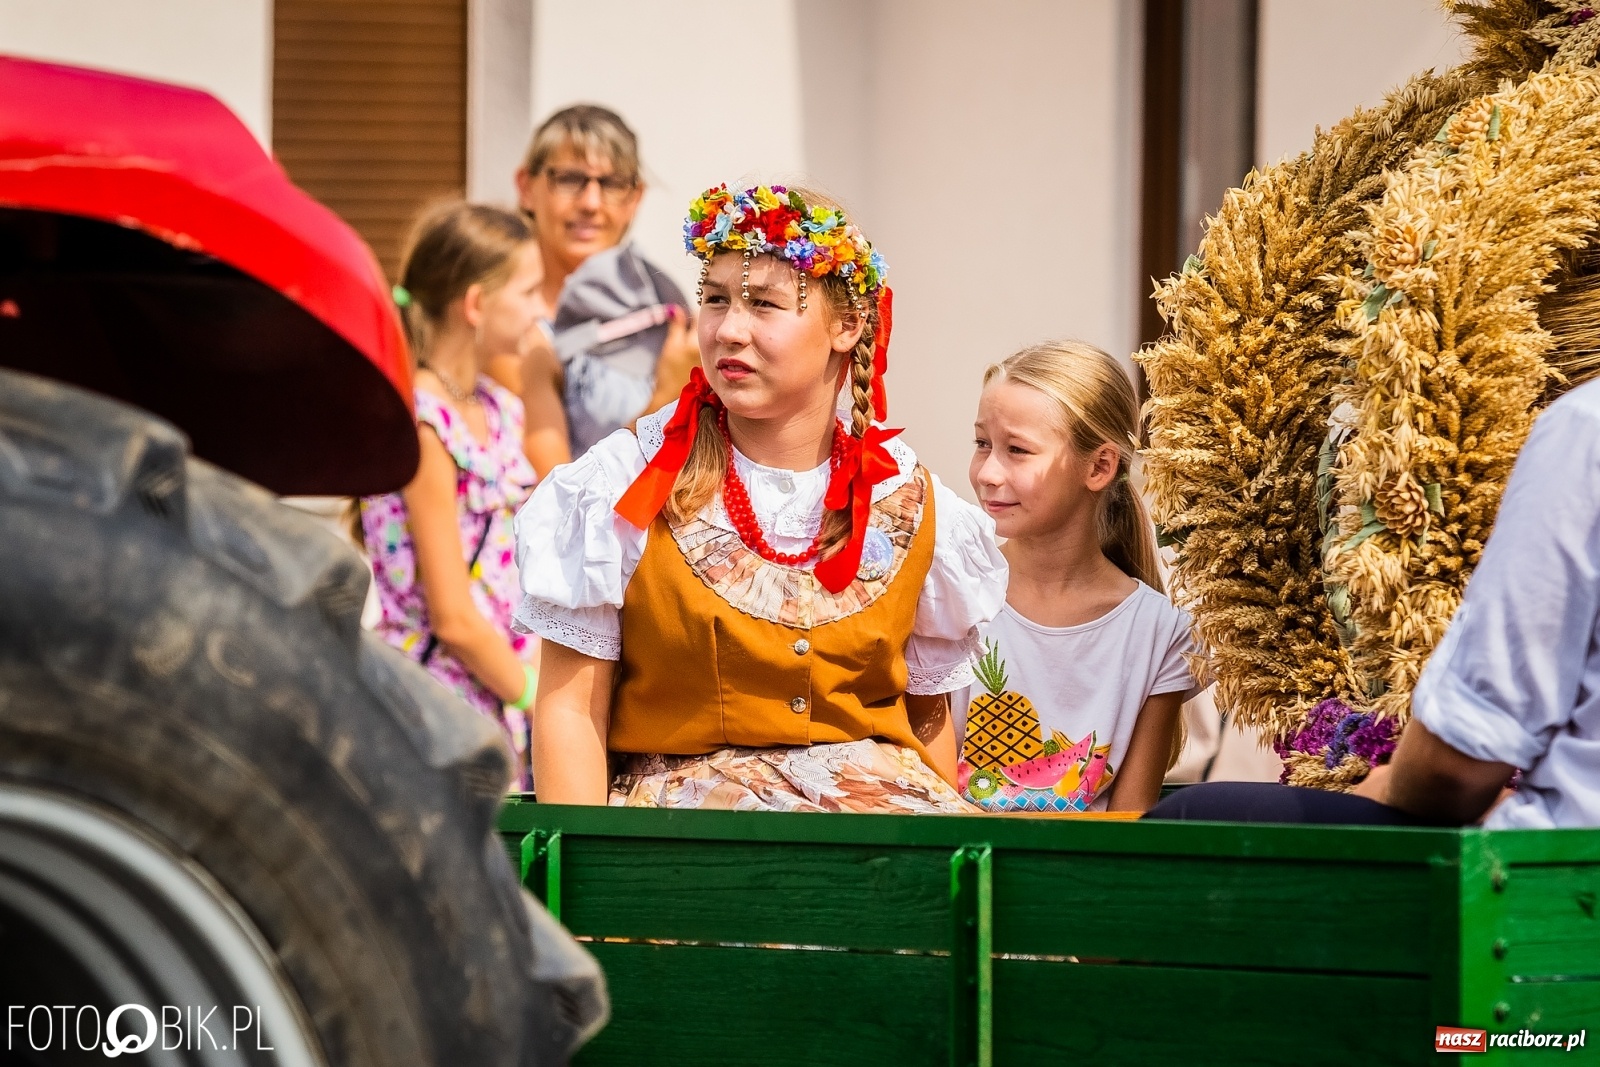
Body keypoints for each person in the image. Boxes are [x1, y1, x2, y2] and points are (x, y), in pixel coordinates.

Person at [514, 183, 1007, 811]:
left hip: (871, 855)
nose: (728, 330)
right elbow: (569, 712)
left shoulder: (906, 500)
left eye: (765, 304)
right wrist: (584, 889)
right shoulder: (622, 484)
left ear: (848, 326)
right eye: (715, 300)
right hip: (687, 852)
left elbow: (926, 727)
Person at [1148, 382, 1600, 827]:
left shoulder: (1583, 429)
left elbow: (1454, 769)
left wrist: (1385, 784)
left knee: (1189, 816)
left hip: (1557, 857)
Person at [958, 343, 1199, 814]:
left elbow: (1127, 823)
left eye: (1018, 450)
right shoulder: (951, 590)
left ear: (1099, 467)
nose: (987, 472)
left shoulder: (1161, 631)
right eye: (982, 444)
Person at [359, 201, 541, 786]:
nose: (542, 310)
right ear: (476, 304)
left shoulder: (499, 407)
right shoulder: (424, 425)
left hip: (493, 701)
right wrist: (536, 694)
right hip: (436, 710)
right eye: (530, 291)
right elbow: (454, 617)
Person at [513, 104, 699, 476]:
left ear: (635, 198)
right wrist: (667, 395)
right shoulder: (509, 329)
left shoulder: (669, 304)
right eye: (569, 179)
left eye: (612, 184)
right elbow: (556, 500)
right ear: (525, 188)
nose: (591, 203)